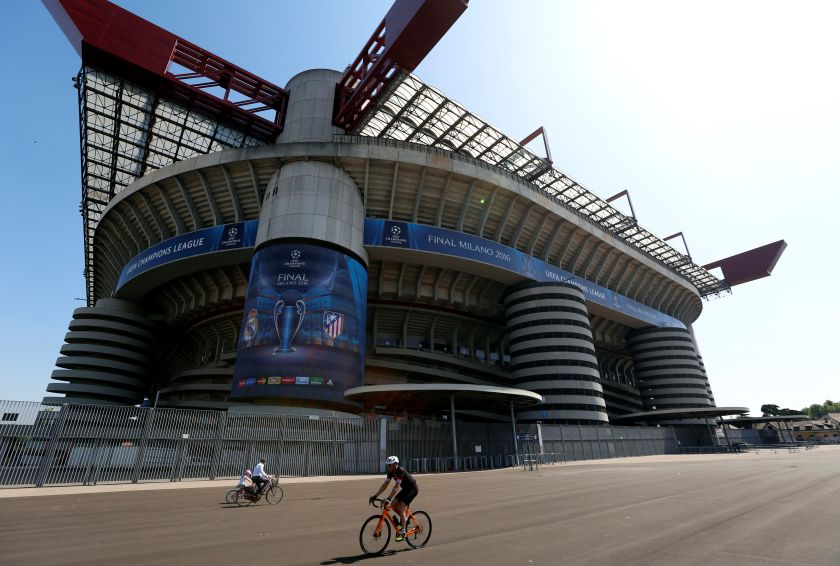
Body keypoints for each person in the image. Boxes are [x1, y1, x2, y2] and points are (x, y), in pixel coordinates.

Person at [369, 456, 418, 541]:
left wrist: (388, 498)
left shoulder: (400, 471)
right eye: (387, 465)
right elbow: (385, 485)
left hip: (413, 489)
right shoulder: (390, 472)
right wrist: (375, 495)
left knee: (401, 506)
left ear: (395, 465)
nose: (388, 467)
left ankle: (403, 531)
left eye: (389, 465)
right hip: (406, 489)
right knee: (393, 504)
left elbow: (396, 486)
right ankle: (405, 520)